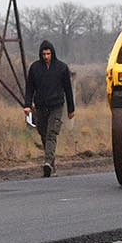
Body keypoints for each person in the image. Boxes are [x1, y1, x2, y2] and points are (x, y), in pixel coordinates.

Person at [22, 40, 76, 177]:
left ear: (52, 53)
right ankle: (52, 165)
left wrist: (71, 109)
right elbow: (30, 88)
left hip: (56, 106)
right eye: (44, 54)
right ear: (40, 54)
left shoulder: (61, 68)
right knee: (43, 133)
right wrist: (27, 105)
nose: (46, 56)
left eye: (48, 53)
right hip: (40, 106)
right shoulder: (35, 68)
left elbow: (68, 89)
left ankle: (47, 162)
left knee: (52, 133)